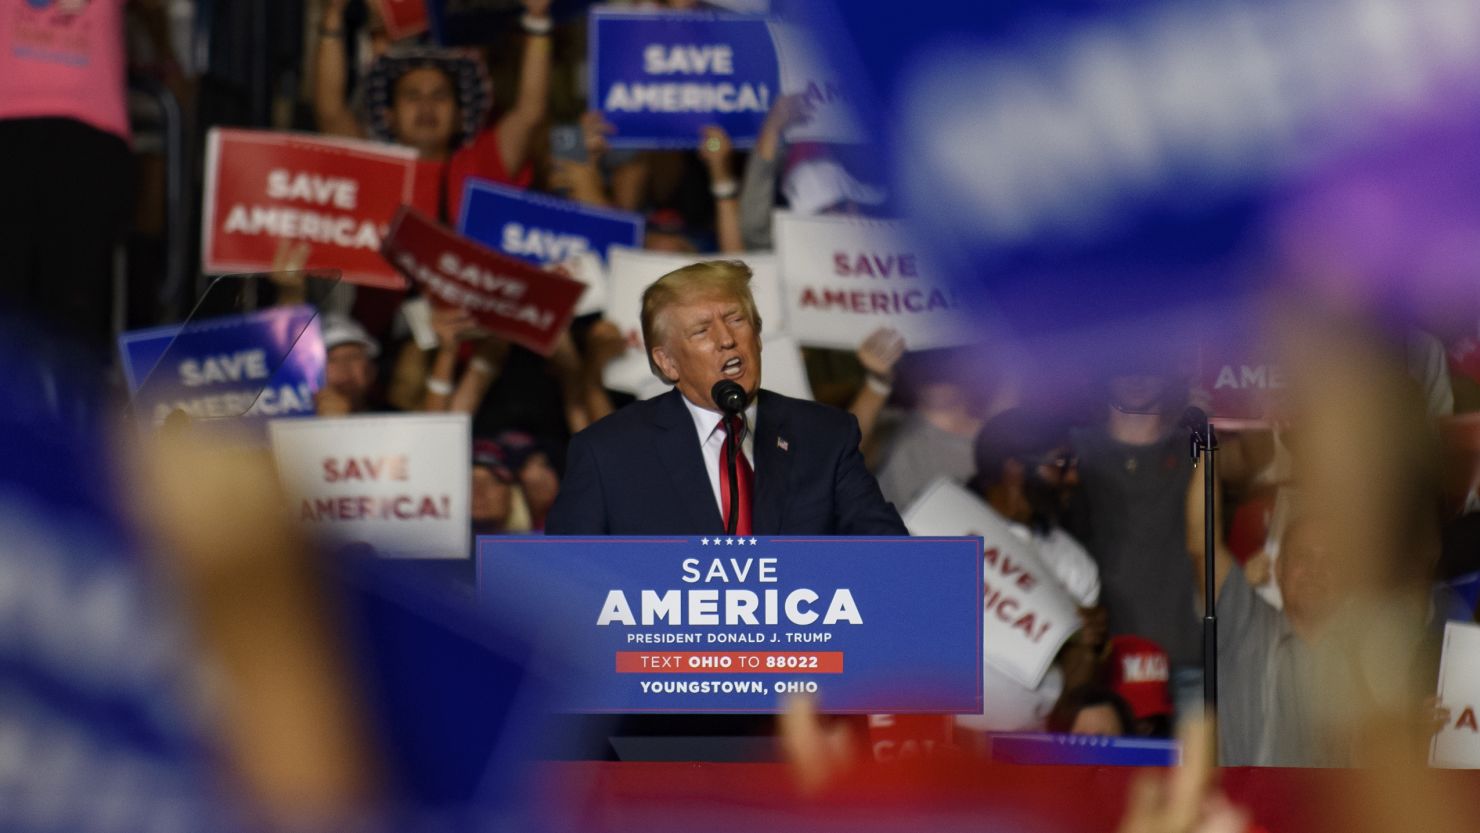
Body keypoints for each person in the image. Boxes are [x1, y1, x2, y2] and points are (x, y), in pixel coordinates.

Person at [546, 259, 906, 536]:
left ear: (758, 336)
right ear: (667, 362)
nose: (726, 339)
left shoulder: (825, 435)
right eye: (702, 330)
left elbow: (890, 555)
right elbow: (567, 580)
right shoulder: (608, 451)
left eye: (736, 320)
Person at [317, 314, 380, 416]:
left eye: (353, 357)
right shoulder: (290, 423)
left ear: (372, 370)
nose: (343, 368)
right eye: (330, 360)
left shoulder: (400, 420)